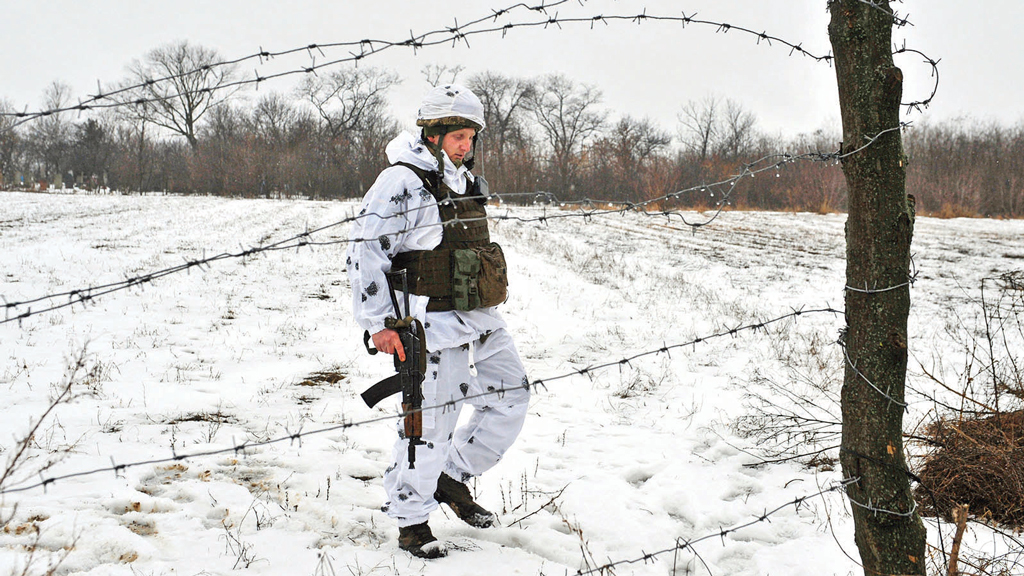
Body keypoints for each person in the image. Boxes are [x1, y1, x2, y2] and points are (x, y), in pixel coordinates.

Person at [347, 84, 531, 559]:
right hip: (429, 321)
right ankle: (412, 520)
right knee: (430, 423)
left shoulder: (465, 180)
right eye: (457, 136)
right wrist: (379, 324)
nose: (465, 145)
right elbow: (367, 252)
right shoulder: (401, 181)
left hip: (479, 313)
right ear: (432, 133)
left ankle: (451, 476)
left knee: (512, 395)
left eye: (471, 136)